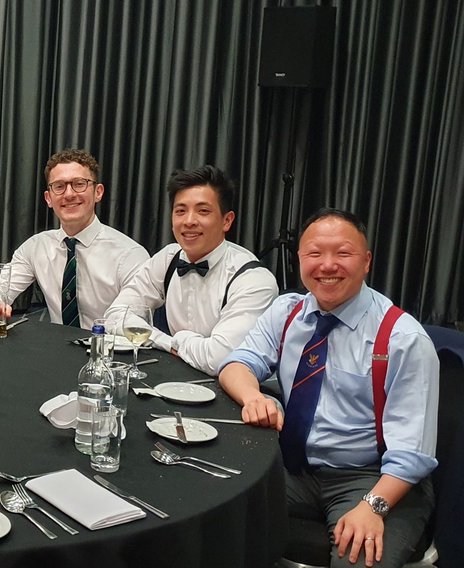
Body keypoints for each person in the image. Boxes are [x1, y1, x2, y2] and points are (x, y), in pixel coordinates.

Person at [219, 208, 437, 568]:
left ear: (366, 261)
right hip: (292, 467)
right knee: (207, 513)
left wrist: (372, 506)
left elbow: (412, 454)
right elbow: (237, 364)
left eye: (343, 253)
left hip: (375, 476)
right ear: (301, 258)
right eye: (315, 254)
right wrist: (253, 396)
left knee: (360, 558)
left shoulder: (402, 338)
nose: (327, 265)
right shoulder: (288, 311)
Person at [104, 165, 278, 375]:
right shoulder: (169, 258)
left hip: (226, 392)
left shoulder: (253, 279)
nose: (189, 221)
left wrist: (179, 340)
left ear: (227, 220)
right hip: (171, 376)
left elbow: (219, 359)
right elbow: (115, 316)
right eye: (180, 211)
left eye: (203, 211)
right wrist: (167, 343)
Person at [0, 149, 148, 331]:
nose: (69, 194)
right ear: (48, 198)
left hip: (111, 353)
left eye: (79, 184)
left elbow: (133, 322)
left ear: (98, 192)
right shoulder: (36, 247)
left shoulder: (130, 255)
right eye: (59, 186)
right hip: (58, 351)